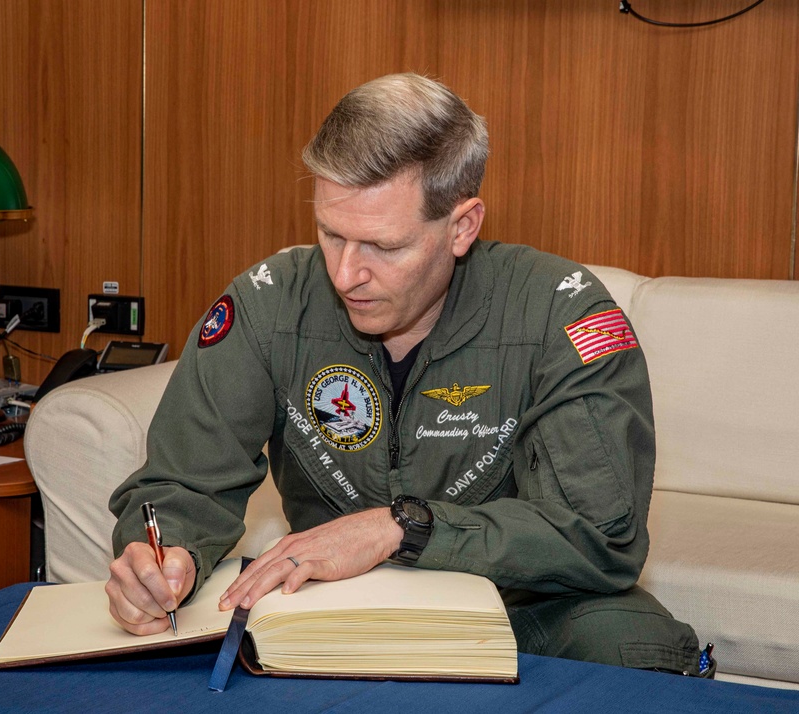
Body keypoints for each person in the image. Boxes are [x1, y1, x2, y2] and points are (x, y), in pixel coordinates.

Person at [106, 73, 709, 675]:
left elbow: (600, 537)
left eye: (383, 247)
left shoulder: (560, 311)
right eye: (330, 234)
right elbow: (181, 484)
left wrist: (401, 529)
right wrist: (162, 555)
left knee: (633, 656)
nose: (345, 275)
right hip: (329, 606)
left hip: (525, 604)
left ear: (462, 227)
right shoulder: (271, 305)